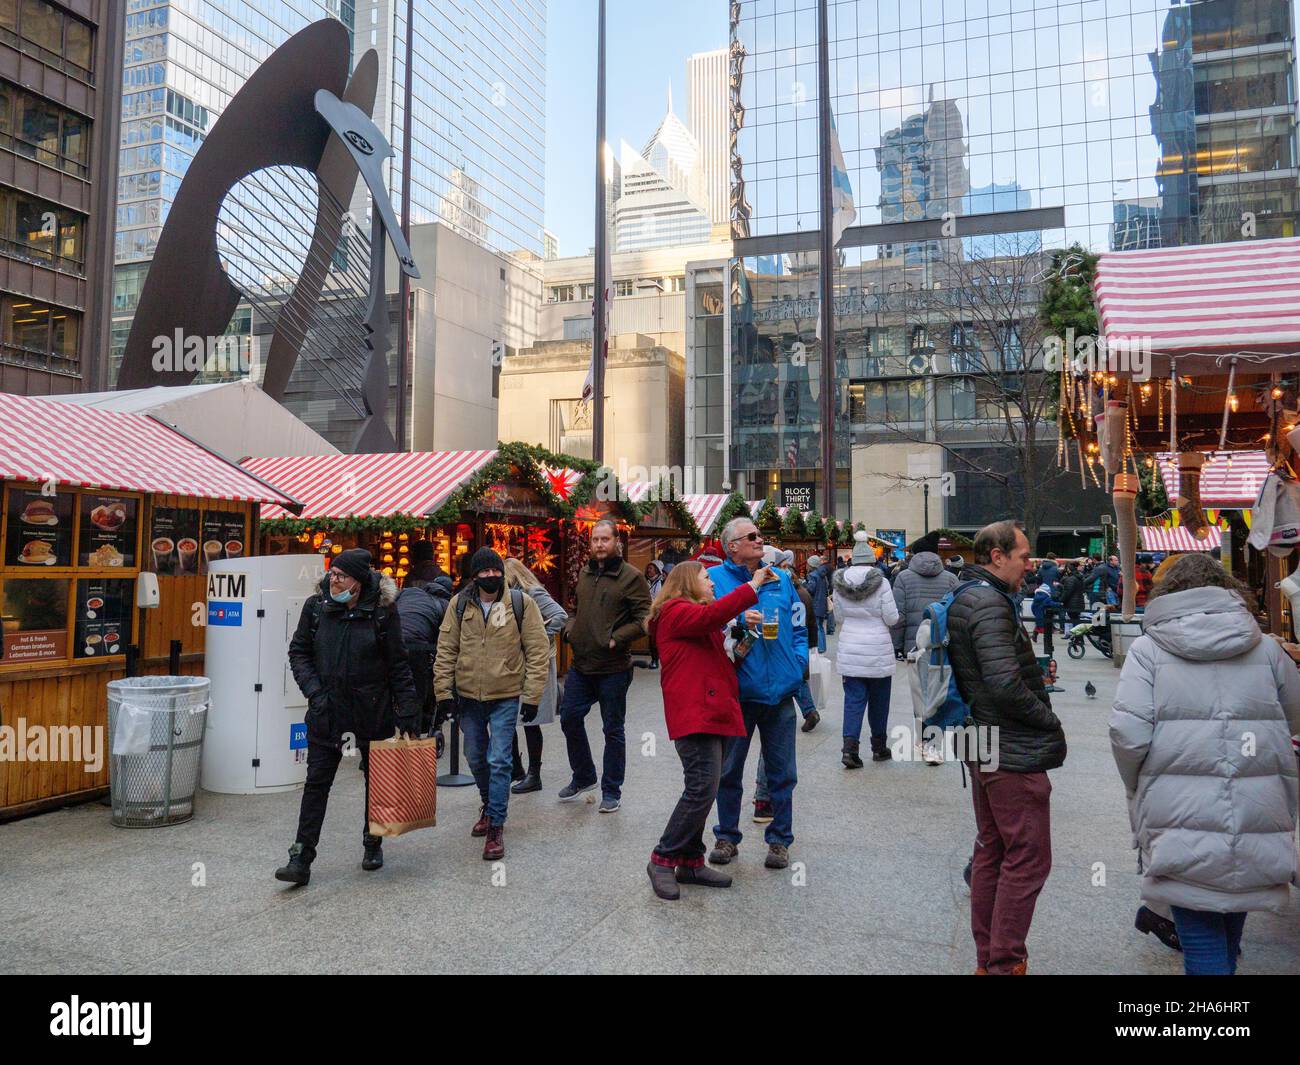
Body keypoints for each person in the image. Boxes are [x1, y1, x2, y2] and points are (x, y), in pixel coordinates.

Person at [1110, 553, 1300, 975]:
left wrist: (1136, 782)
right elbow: (1296, 714)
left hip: (1179, 814)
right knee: (1230, 930)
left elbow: (1128, 735)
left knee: (1201, 940)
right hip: (1258, 809)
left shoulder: (1147, 650)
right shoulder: (1267, 648)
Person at [946, 520, 1067, 975]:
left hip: (981, 738)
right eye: (1022, 555)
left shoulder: (968, 596)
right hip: (1008, 744)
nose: (1029, 564)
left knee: (992, 849)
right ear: (997, 556)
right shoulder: (990, 604)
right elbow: (1003, 684)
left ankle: (989, 959)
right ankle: (1006, 962)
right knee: (1027, 856)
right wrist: (1048, 719)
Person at [276, 549, 419, 885]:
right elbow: (299, 652)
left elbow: (398, 663)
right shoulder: (317, 608)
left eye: (341, 575)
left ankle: (373, 841)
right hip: (328, 712)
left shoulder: (382, 612)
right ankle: (301, 856)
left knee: (378, 779)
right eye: (332, 573)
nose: (333, 579)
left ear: (358, 582)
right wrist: (315, 692)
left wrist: (409, 708)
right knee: (316, 784)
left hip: (373, 710)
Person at [645, 560, 778, 899]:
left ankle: (690, 859)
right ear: (688, 582)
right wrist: (752, 586)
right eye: (706, 578)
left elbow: (720, 657)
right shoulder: (675, 611)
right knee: (701, 787)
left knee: (705, 786)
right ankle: (663, 858)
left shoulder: (692, 616)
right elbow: (712, 615)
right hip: (694, 714)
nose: (712, 583)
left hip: (711, 711)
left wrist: (740, 639)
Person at [433, 547, 550, 860]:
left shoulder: (519, 604)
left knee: (500, 760)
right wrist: (443, 693)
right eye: (484, 572)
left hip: (506, 695)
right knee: (475, 756)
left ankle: (496, 825)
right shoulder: (459, 605)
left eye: (495, 571)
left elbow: (538, 651)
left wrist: (532, 696)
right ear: (474, 576)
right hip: (468, 697)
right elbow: (446, 650)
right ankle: (488, 803)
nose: (491, 576)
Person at [706, 516, 807, 871]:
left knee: (783, 772)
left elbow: (798, 626)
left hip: (780, 691)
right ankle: (726, 836)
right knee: (729, 770)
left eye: (760, 535)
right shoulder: (715, 581)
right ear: (731, 546)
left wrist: (797, 664)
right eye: (751, 536)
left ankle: (779, 841)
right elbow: (706, 625)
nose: (759, 539)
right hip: (738, 692)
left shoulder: (780, 579)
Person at [558, 518, 652, 812]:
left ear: (616, 543)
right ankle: (584, 776)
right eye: (595, 540)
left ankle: (612, 791)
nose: (599, 545)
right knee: (569, 718)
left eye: (604, 539)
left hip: (613, 667)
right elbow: (573, 608)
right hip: (582, 665)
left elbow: (645, 619)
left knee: (613, 730)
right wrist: (570, 629)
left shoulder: (631, 577)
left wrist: (616, 639)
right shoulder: (585, 573)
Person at [834, 530, 901, 766]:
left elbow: (839, 617)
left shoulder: (839, 582)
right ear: (871, 559)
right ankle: (879, 747)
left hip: (851, 648)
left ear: (852, 558)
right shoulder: (881, 583)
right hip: (878, 650)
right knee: (879, 702)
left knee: (853, 701)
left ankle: (849, 750)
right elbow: (891, 618)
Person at [503, 557, 568, 795]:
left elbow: (560, 616)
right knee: (508, 717)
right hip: (516, 664)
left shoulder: (532, 592)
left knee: (531, 721)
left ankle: (534, 774)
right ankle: (516, 768)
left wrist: (538, 638)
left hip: (536, 664)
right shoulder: (510, 595)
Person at [891, 549, 959, 762]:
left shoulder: (903, 577)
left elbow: (899, 615)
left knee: (920, 693)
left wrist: (898, 646)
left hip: (916, 645)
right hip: (943, 644)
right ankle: (935, 741)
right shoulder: (950, 578)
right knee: (941, 689)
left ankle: (924, 741)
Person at [394, 569, 453, 746]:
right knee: (417, 693)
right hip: (417, 647)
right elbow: (443, 639)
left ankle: (382, 741)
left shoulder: (408, 593)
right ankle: (413, 740)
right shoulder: (444, 605)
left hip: (392, 642)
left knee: (391, 688)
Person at [805, 554, 832, 651]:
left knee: (817, 627)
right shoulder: (822, 575)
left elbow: (810, 589)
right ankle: (822, 647)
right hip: (822, 604)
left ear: (811, 565)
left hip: (815, 604)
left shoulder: (813, 575)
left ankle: (820, 648)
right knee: (820, 627)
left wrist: (804, 585)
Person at [643, 560, 666, 668]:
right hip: (649, 612)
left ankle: (660, 658)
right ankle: (654, 660)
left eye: (651, 568)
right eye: (648, 568)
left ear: (656, 570)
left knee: (658, 637)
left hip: (659, 613)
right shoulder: (645, 581)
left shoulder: (662, 582)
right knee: (651, 636)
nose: (648, 570)